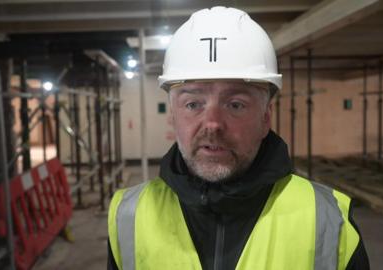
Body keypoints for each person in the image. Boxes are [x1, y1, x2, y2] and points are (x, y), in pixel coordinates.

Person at [107, 6, 369, 270]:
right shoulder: (129, 217)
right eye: (193, 104)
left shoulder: (328, 221)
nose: (212, 123)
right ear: (173, 116)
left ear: (266, 116)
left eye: (235, 104)